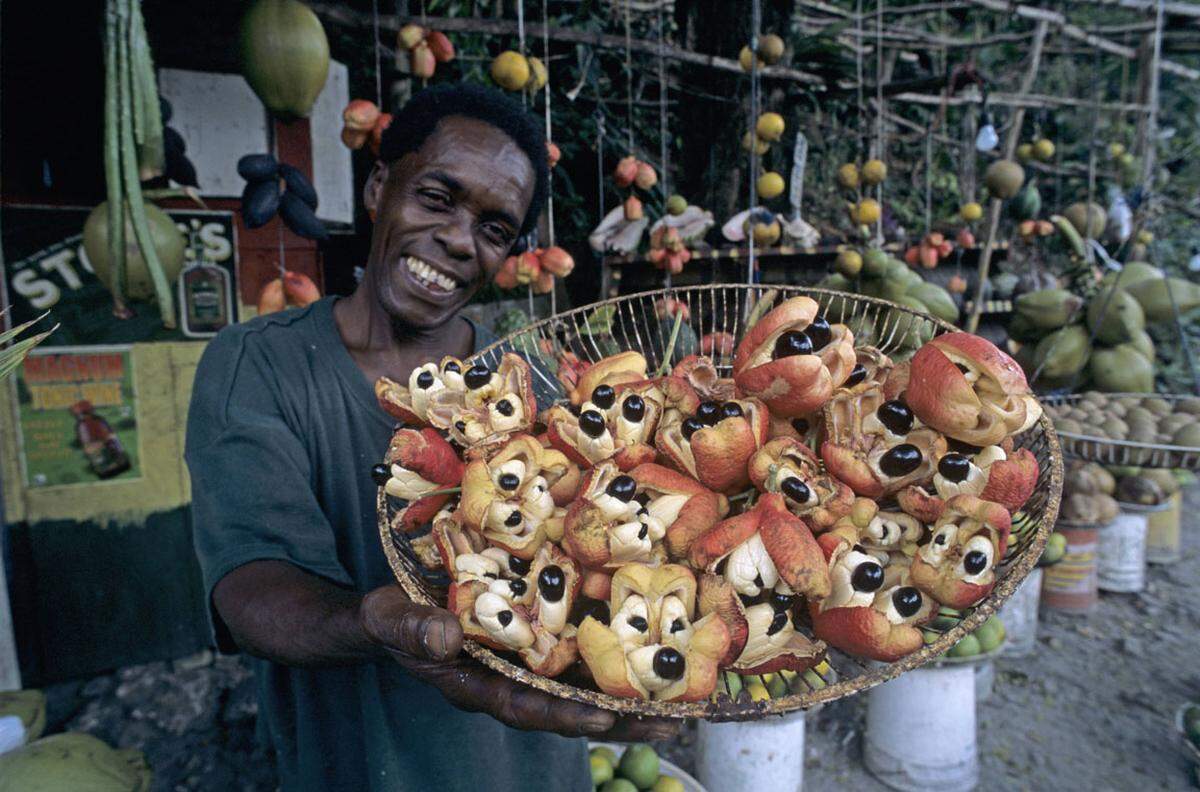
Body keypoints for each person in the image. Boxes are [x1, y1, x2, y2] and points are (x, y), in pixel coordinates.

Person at [185, 83, 676, 792]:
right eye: (437, 198)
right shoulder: (257, 364)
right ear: (380, 186)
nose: (457, 239)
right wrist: (379, 622)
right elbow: (252, 586)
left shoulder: (537, 382)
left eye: (494, 228)